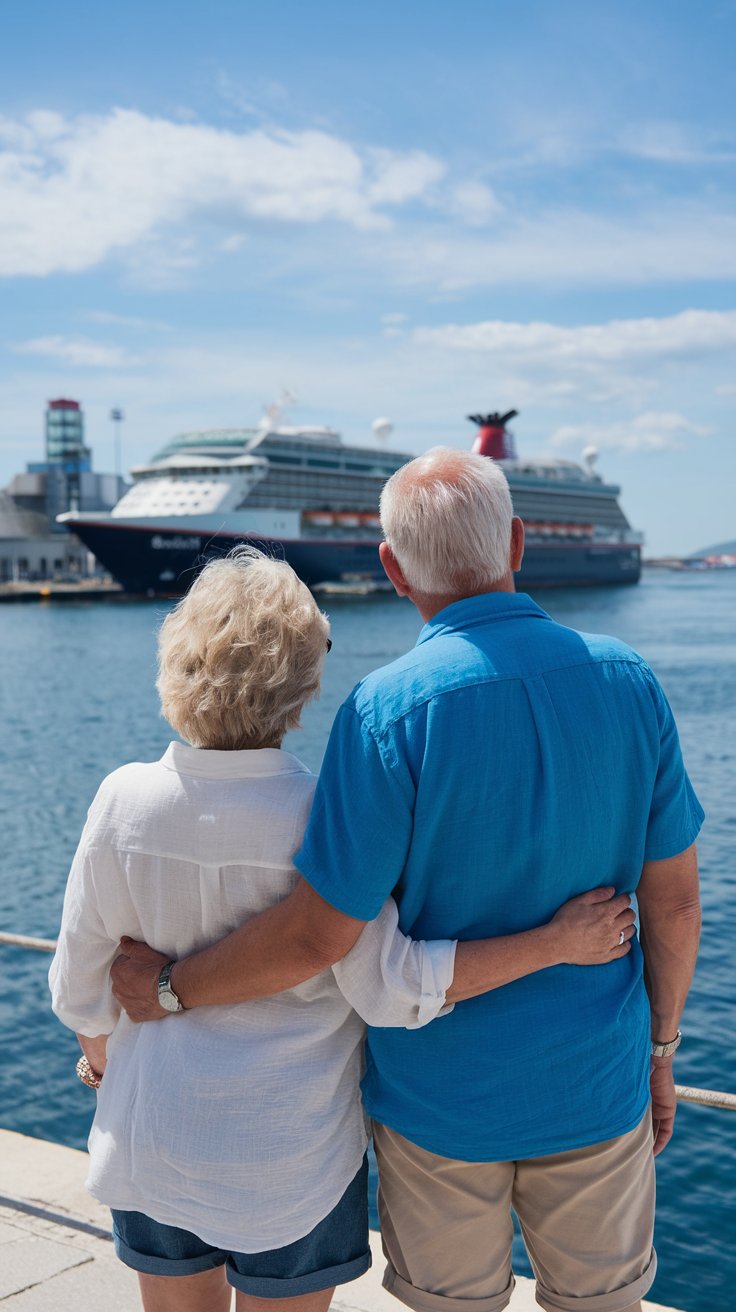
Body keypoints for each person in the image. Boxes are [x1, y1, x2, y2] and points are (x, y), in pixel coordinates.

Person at [110, 448, 702, 1312]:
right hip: (595, 1084)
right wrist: (660, 1052)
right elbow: (677, 906)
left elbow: (320, 934)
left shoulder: (385, 712)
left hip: (438, 1103)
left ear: (391, 567)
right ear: (520, 542)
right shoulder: (630, 681)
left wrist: (167, 985)